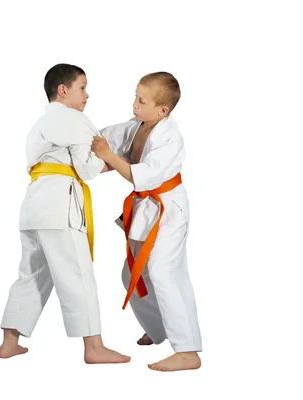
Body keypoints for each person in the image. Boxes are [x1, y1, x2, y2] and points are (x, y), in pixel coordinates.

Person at [0, 63, 130, 364]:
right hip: (60, 206)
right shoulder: (74, 119)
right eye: (82, 87)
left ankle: (9, 341)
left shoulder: (38, 126)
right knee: (78, 274)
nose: (87, 95)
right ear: (63, 90)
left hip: (34, 206)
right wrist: (109, 159)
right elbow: (86, 167)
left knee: (31, 273)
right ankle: (94, 348)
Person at [91, 72, 202, 371]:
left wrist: (109, 158)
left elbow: (137, 172)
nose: (135, 104)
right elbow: (106, 143)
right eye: (135, 97)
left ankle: (188, 350)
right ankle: (158, 330)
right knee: (132, 277)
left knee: (164, 273)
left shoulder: (170, 137)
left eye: (142, 100)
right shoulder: (138, 125)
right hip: (145, 208)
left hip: (168, 211)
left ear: (162, 110)